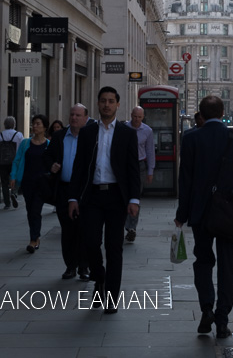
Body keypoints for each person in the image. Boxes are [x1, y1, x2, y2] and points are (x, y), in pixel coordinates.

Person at [176, 95, 233, 339]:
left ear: (200, 113)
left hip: (201, 213)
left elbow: (185, 180)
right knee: (227, 266)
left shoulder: (191, 138)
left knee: (202, 262)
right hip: (230, 213)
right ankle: (222, 319)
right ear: (223, 112)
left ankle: (206, 309)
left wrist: (182, 214)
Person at [68, 87, 141, 314]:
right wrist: (72, 197)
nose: (107, 105)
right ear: (98, 104)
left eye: (111, 101)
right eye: (103, 101)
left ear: (118, 105)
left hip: (116, 197)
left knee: (114, 247)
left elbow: (133, 169)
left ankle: (111, 297)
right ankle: (99, 280)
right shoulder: (88, 132)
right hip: (92, 196)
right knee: (90, 243)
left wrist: (134, 199)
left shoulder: (127, 133)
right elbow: (79, 166)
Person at [47, 104, 90, 280]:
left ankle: (84, 267)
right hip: (64, 189)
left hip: (84, 190)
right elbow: (47, 157)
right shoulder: (59, 137)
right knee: (67, 229)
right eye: (72, 114)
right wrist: (52, 166)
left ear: (85, 118)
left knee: (84, 229)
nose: (74, 118)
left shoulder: (90, 137)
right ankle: (70, 266)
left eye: (78, 115)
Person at [10, 114, 51, 254]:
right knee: (30, 211)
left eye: (38, 124)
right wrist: (13, 176)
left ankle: (33, 240)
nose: (35, 126)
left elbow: (52, 164)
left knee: (35, 211)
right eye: (34, 124)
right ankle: (36, 237)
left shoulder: (48, 145)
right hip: (27, 182)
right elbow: (17, 160)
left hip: (42, 184)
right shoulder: (25, 143)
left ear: (45, 127)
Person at [125, 106, 156, 243]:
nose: (136, 119)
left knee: (135, 197)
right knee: (124, 196)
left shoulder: (147, 131)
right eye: (135, 116)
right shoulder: (124, 128)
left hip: (140, 166)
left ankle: (132, 228)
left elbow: (150, 151)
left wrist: (150, 171)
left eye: (139, 117)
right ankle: (126, 224)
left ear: (143, 117)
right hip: (125, 165)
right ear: (131, 115)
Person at [0, 116, 22, 209]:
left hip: (2, 162)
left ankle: (7, 203)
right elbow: (22, 149)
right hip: (14, 162)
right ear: (14, 124)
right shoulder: (18, 135)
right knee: (15, 179)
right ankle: (14, 193)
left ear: (4, 125)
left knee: (4, 182)